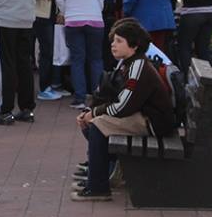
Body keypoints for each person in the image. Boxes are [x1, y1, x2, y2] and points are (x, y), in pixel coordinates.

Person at [72, 19, 175, 201]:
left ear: (134, 46)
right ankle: (106, 171)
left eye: (119, 41)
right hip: (144, 116)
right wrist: (91, 110)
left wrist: (95, 113)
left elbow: (124, 105)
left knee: (98, 126)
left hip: (153, 123)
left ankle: (98, 186)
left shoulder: (138, 67)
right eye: (113, 40)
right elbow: (113, 96)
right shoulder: (130, 63)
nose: (113, 45)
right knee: (95, 123)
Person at [54, 0, 106, 111]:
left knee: (77, 59)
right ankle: (98, 95)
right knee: (96, 59)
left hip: (73, 20)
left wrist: (66, 11)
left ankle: (79, 98)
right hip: (94, 19)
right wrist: (97, 9)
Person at [34, 0, 64, 101]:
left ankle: (52, 85)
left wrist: (61, 13)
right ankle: (44, 88)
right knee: (47, 52)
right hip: (41, 18)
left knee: (54, 52)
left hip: (55, 18)